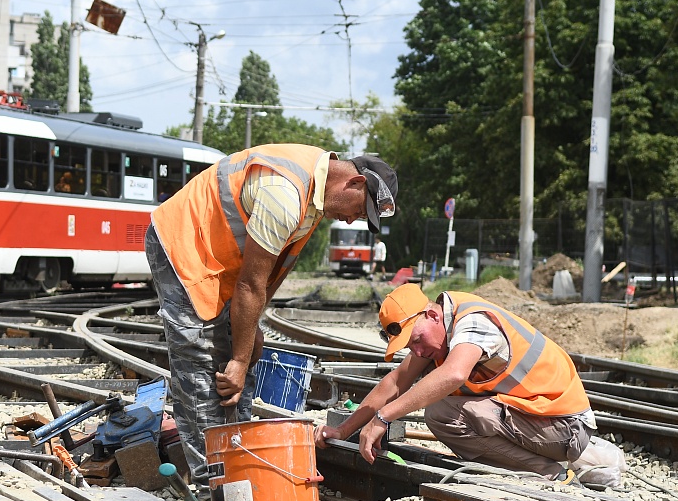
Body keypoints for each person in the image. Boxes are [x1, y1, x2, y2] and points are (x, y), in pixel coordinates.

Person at [147, 144, 398, 483]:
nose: (353, 219)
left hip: (226, 262)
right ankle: (213, 486)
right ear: (352, 183)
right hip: (186, 247)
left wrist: (249, 335)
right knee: (200, 360)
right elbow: (251, 284)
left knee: (247, 353)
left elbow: (266, 273)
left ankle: (240, 463)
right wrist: (236, 359)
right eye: (360, 210)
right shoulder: (285, 193)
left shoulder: (315, 196)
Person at [315, 283, 595, 483]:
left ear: (433, 315)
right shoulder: (437, 335)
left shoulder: (475, 322)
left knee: (444, 412)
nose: (418, 352)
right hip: (535, 421)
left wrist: (383, 417)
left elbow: (454, 374)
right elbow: (395, 383)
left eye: (416, 340)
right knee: (443, 411)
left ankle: (549, 474)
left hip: (563, 427)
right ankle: (533, 469)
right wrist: (343, 430)